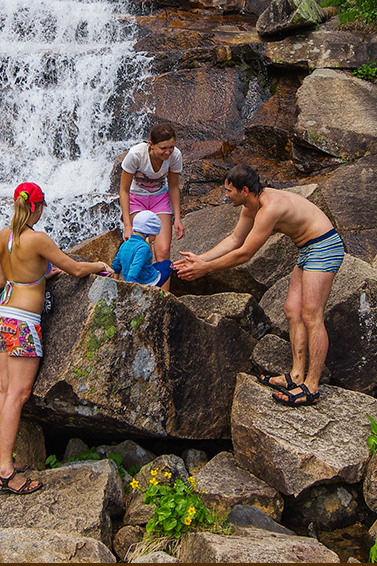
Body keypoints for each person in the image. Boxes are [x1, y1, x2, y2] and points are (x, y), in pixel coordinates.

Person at [173, 164, 343, 407]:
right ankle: (296, 376)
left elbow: (245, 254)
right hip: (307, 249)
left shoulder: (268, 208)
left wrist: (207, 269)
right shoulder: (249, 207)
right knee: (292, 311)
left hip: (324, 246)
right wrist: (202, 259)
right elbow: (234, 240)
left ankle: (311, 387)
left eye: (228, 191)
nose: (226, 195)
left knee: (311, 315)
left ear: (244, 190)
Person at [0, 181, 112, 493]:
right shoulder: (37, 239)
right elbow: (73, 268)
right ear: (36, 206)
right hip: (23, 323)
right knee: (18, 394)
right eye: (42, 205)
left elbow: (5, 280)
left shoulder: (4, 237)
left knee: (4, 392)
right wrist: (99, 264)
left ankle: (2, 461)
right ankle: (6, 470)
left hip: (3, 316)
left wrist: (38, 275)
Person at [119, 122, 184, 286]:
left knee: (163, 250)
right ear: (151, 144)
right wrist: (127, 225)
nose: (168, 152)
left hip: (160, 199)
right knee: (139, 249)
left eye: (171, 147)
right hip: (136, 199)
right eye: (163, 148)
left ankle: (163, 298)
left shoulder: (175, 156)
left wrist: (177, 218)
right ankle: (137, 293)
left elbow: (174, 186)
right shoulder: (136, 155)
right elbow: (124, 190)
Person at [111, 209, 170, 288]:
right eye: (155, 234)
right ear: (148, 234)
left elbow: (116, 265)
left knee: (157, 265)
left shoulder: (124, 244)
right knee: (167, 264)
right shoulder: (143, 247)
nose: (155, 238)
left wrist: (116, 282)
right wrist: (132, 286)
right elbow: (136, 266)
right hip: (147, 282)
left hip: (129, 278)